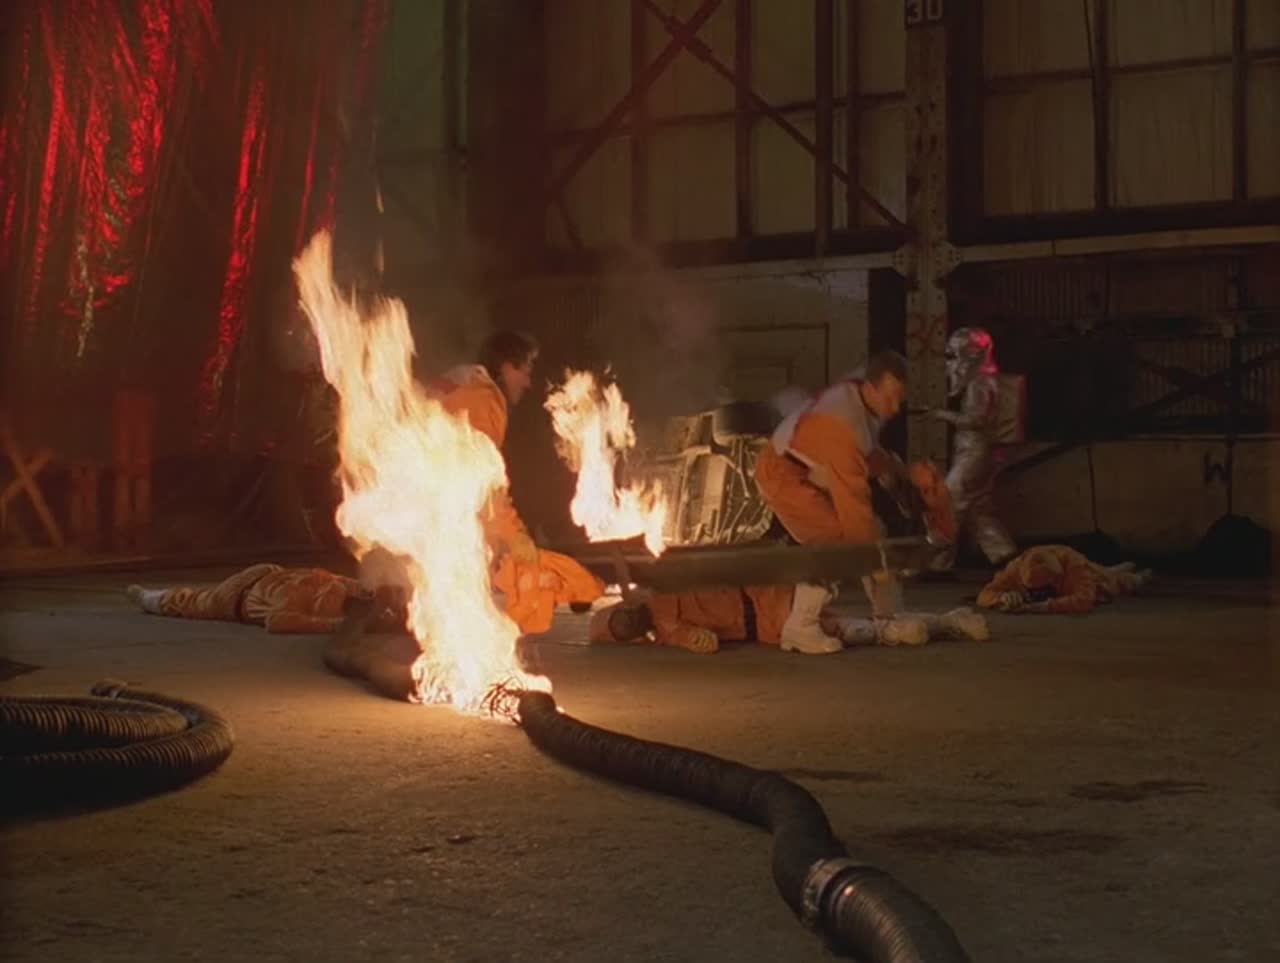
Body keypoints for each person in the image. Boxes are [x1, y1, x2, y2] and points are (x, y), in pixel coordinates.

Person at [428, 330, 605, 633]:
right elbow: (481, 477)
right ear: (507, 366)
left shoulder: (460, 385)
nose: (528, 382)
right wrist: (514, 535)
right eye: (526, 370)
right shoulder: (483, 398)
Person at [752, 351, 909, 654]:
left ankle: (890, 618)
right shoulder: (842, 425)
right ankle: (800, 627)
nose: (895, 408)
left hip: (809, 472)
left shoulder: (859, 397)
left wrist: (894, 468)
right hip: (782, 474)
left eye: (899, 399)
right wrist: (874, 560)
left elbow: (865, 453)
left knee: (871, 532)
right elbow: (855, 505)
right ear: (871, 387)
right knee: (833, 540)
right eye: (890, 398)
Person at [587, 583, 988, 654]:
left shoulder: (660, 589)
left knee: (842, 619)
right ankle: (948, 622)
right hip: (769, 624)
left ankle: (946, 622)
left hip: (767, 598)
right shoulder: (666, 631)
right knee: (849, 628)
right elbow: (701, 641)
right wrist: (695, 640)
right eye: (622, 632)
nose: (627, 624)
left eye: (620, 619)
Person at [928, 327, 1017, 569]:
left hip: (973, 453)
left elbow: (975, 420)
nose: (951, 364)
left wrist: (941, 414)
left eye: (954, 356)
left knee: (947, 504)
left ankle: (937, 564)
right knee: (979, 511)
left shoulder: (979, 383)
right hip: (978, 452)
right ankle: (1005, 556)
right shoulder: (987, 380)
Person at [125, 563, 402, 634]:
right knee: (191, 602)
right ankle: (148, 598)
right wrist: (332, 626)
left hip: (266, 574)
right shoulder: (298, 600)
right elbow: (276, 622)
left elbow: (361, 589)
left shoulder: (339, 587)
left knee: (195, 597)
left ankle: (150, 596)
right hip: (235, 599)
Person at [976, 544, 1150, 614]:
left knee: (1110, 582)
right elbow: (985, 594)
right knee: (1105, 572)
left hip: (1089, 571)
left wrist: (1043, 607)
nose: (1037, 595)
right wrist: (1001, 598)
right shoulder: (1015, 568)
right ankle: (1117, 569)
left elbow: (1084, 600)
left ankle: (1136, 578)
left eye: (1043, 589)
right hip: (1080, 567)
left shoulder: (1074, 566)